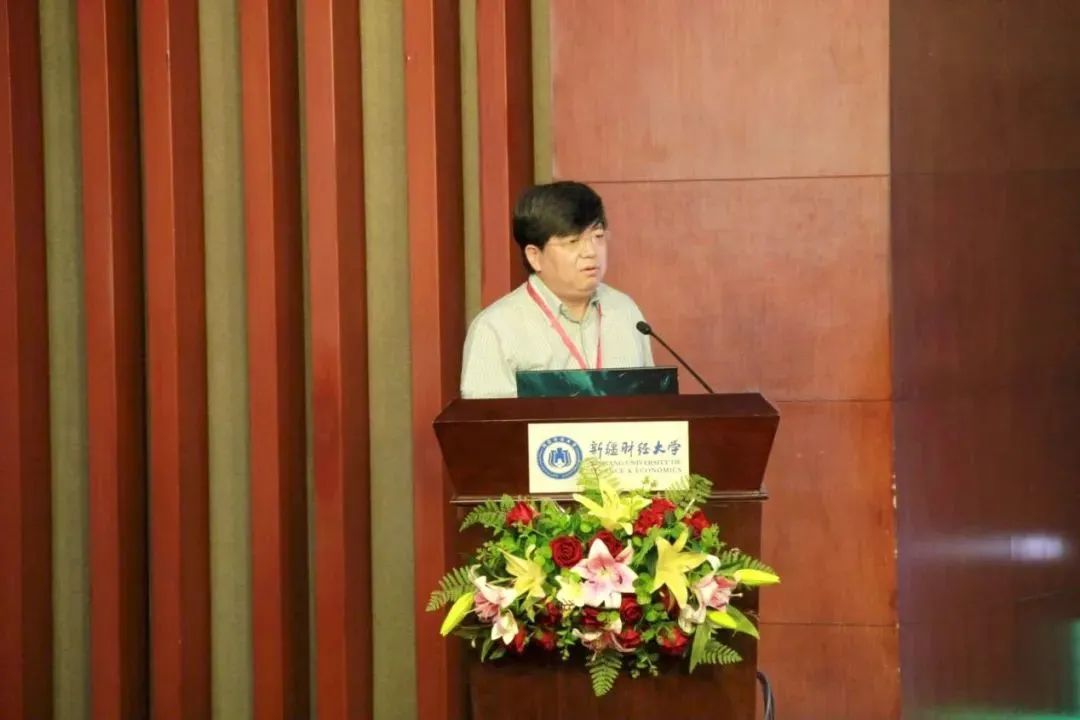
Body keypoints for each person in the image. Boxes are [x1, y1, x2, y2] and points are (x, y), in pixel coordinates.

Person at [460, 181, 654, 398]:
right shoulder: (495, 329)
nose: (591, 251)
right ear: (535, 256)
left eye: (598, 237)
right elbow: (489, 419)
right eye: (572, 241)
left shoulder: (626, 312)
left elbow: (650, 405)